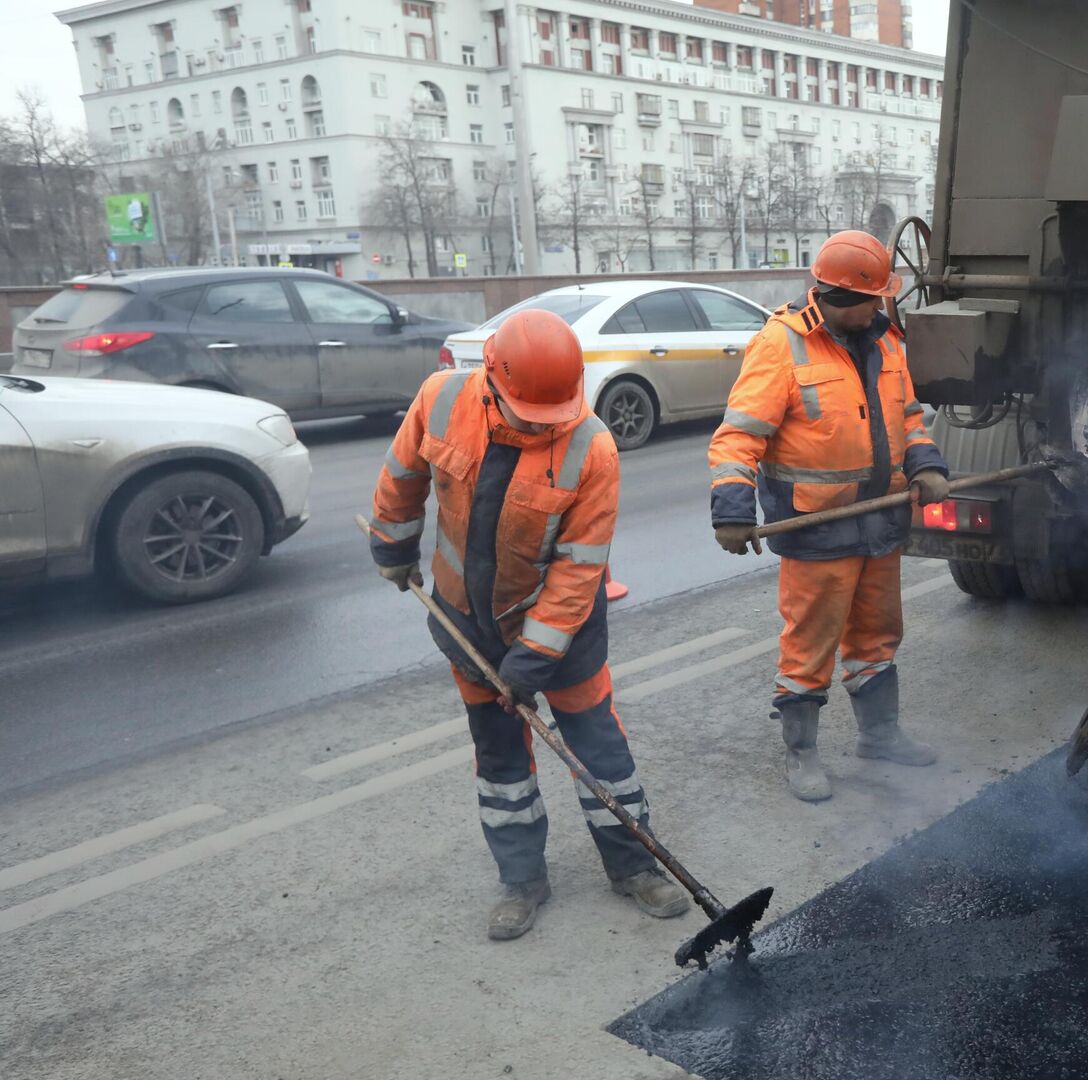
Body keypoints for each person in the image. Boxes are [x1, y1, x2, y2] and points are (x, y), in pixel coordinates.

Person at [368, 309, 689, 940]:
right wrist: (392, 548)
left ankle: (634, 867)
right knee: (500, 759)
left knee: (601, 752)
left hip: (562, 637)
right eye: (524, 411)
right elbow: (402, 477)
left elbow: (578, 570)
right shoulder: (441, 399)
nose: (537, 424)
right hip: (467, 625)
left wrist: (531, 662)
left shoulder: (592, 446)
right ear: (490, 377)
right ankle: (521, 879)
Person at [708, 230, 951, 802]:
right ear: (849, 295)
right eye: (879, 296)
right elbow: (739, 437)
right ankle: (802, 753)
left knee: (877, 636)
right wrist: (732, 510)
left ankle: (880, 736)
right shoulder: (780, 345)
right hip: (817, 527)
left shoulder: (888, 341)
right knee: (809, 647)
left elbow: (909, 419)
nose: (887, 304)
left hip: (882, 521)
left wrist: (926, 464)